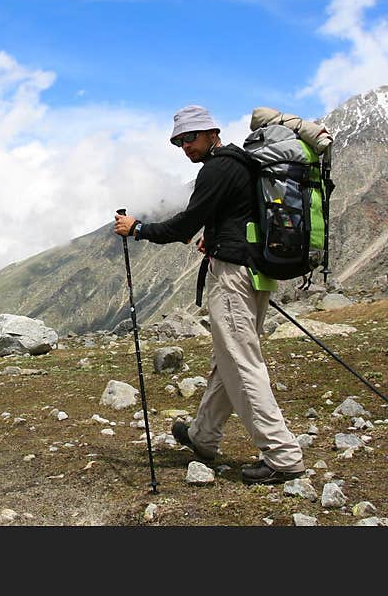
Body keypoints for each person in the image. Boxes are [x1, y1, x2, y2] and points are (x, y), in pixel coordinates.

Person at [113, 105, 305, 485]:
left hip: (233, 277)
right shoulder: (243, 164)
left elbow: (185, 222)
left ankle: (283, 456)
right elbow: (237, 218)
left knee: (242, 362)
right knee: (228, 361)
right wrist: (215, 239)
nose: (185, 147)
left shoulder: (217, 168)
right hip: (253, 272)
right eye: (179, 142)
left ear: (210, 132)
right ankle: (203, 437)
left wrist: (138, 228)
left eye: (190, 138)